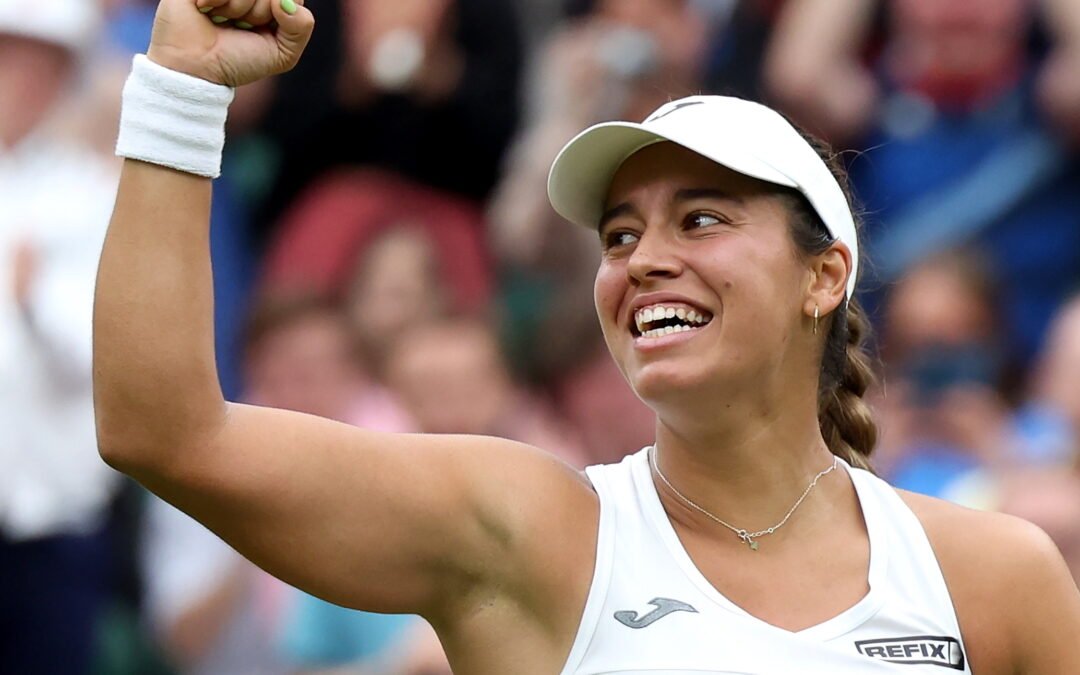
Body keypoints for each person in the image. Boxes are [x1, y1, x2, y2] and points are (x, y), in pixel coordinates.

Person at [95, 2, 1080, 673]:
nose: (643, 257)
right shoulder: (529, 529)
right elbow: (163, 430)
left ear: (824, 275)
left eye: (701, 219)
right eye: (620, 233)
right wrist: (182, 89)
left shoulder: (996, 575)